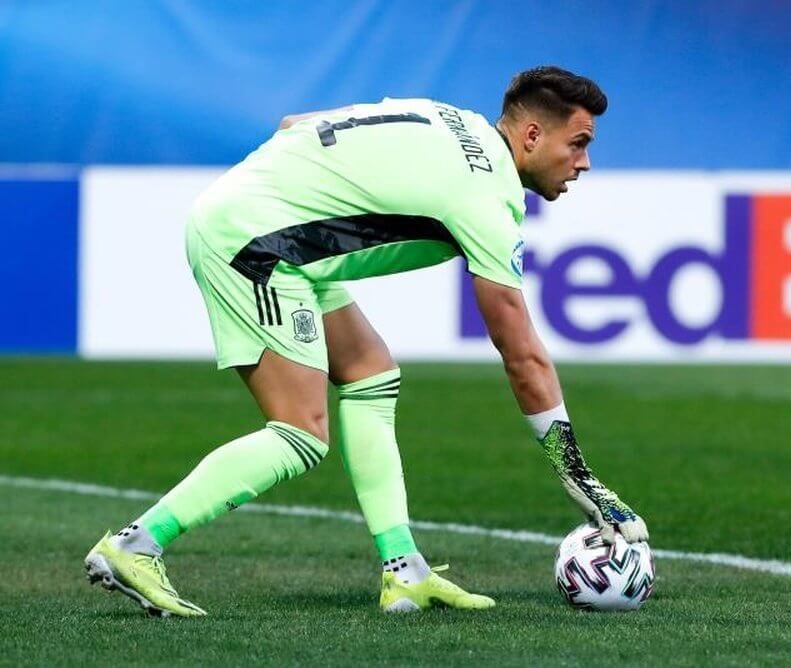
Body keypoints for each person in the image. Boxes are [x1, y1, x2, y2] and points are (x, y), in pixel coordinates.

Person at [84, 65, 648, 617]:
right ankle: (136, 545)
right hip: (257, 246)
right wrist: (578, 476)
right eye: (577, 144)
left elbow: (293, 123)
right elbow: (520, 354)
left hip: (275, 236)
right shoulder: (487, 200)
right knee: (300, 433)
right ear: (532, 135)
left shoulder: (445, 117)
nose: (584, 162)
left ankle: (404, 573)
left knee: (371, 375)